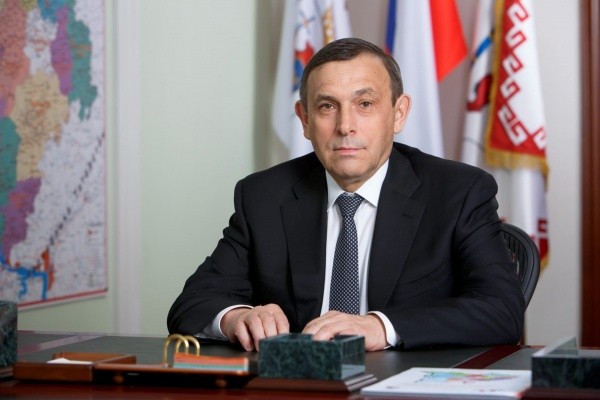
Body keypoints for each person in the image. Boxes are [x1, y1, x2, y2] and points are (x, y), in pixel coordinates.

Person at [167, 37, 525, 352]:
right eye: (327, 106)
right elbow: (193, 303)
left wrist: (381, 327)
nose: (345, 126)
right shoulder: (264, 196)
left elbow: (502, 310)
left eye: (364, 104)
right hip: (300, 387)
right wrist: (236, 317)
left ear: (398, 114)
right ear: (305, 120)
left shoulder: (458, 192)